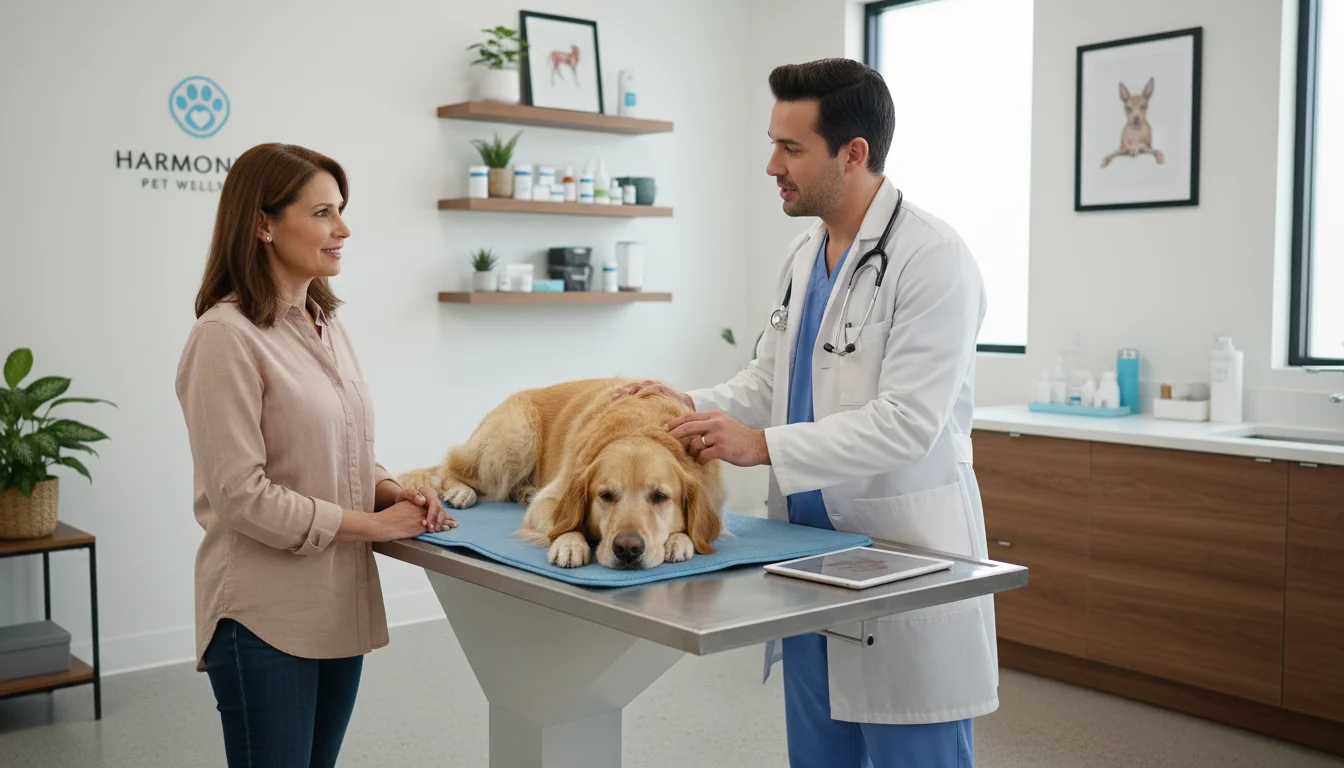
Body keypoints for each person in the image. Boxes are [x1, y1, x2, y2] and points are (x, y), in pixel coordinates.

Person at [616, 59, 994, 767]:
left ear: (853, 154)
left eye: (791, 149)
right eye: (773, 144)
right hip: (806, 566)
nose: (771, 165)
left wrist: (763, 447)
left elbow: (909, 421)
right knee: (818, 755)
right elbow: (771, 382)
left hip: (900, 556)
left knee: (912, 750)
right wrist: (682, 404)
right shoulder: (803, 255)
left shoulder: (933, 259)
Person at [175, 143, 457, 767]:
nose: (344, 229)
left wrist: (391, 490)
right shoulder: (224, 337)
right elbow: (241, 496)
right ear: (263, 224)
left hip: (335, 606)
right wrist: (374, 526)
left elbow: (344, 450)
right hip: (263, 619)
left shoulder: (327, 325)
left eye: (342, 211)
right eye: (325, 212)